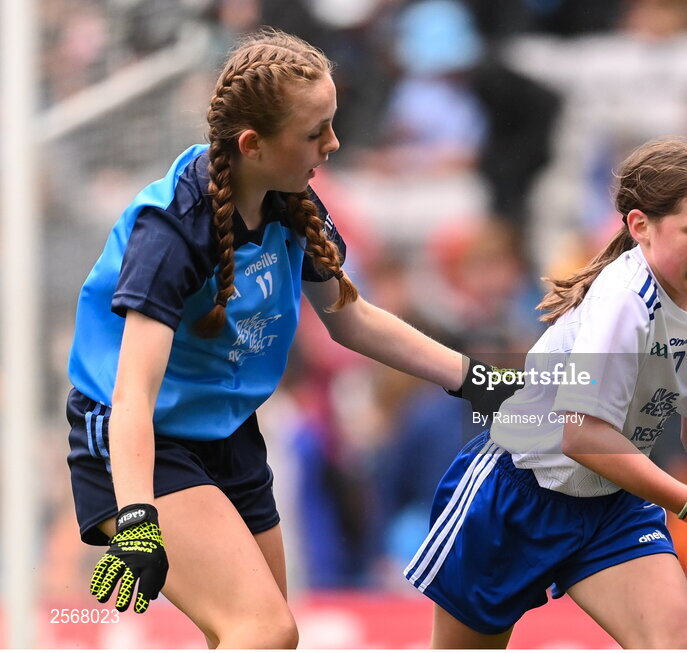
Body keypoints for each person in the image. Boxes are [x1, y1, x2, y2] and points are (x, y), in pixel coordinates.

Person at [66, 29, 514, 649]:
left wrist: (474, 379)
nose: (333, 144)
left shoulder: (291, 202)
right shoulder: (172, 231)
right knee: (262, 630)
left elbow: (351, 319)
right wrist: (139, 517)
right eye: (315, 132)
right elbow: (132, 395)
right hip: (138, 442)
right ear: (253, 144)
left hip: (226, 433)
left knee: (273, 637)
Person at [405, 137, 687, 649]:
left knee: (680, 645)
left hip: (613, 501)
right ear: (640, 226)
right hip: (517, 496)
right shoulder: (625, 299)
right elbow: (583, 437)